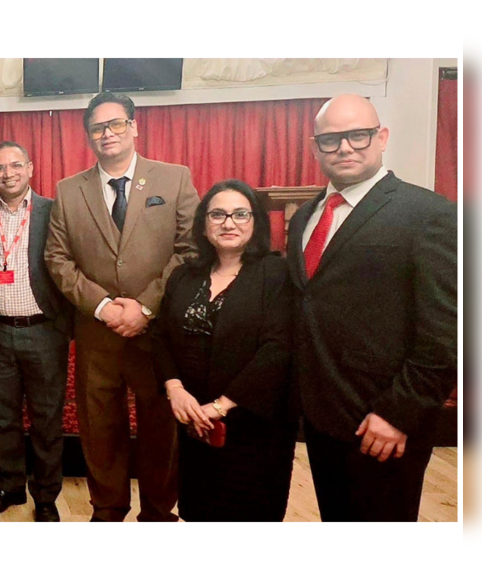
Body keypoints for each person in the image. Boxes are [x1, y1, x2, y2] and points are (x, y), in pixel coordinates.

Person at [287, 94, 457, 521]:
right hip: (322, 420)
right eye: (331, 139)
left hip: (384, 424)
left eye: (358, 135)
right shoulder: (304, 217)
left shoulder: (428, 214)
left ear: (381, 138)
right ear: (314, 147)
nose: (345, 147)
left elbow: (449, 330)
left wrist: (398, 413)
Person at [45, 91, 199, 522]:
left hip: (157, 335)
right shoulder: (68, 189)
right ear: (88, 136)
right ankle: (108, 509)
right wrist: (103, 307)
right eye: (98, 127)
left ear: (134, 127)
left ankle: (156, 512)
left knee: (160, 427)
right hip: (97, 334)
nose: (107, 133)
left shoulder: (174, 179)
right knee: (99, 429)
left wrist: (145, 307)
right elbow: (57, 258)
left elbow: (190, 250)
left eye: (115, 124)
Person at [150, 180, 296, 521]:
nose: (228, 223)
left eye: (240, 214)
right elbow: (160, 336)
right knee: (199, 510)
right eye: (217, 214)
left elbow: (278, 349)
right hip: (195, 423)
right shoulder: (185, 275)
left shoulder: (276, 273)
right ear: (203, 224)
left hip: (253, 427)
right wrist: (175, 390)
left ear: (256, 222)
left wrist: (220, 407)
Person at [0, 141, 72, 521]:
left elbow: (70, 269)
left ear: (31, 168)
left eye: (15, 165)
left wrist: (66, 328)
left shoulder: (53, 212)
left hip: (44, 334)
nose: (8, 173)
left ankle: (46, 496)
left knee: (46, 418)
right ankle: (10, 486)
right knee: (2, 417)